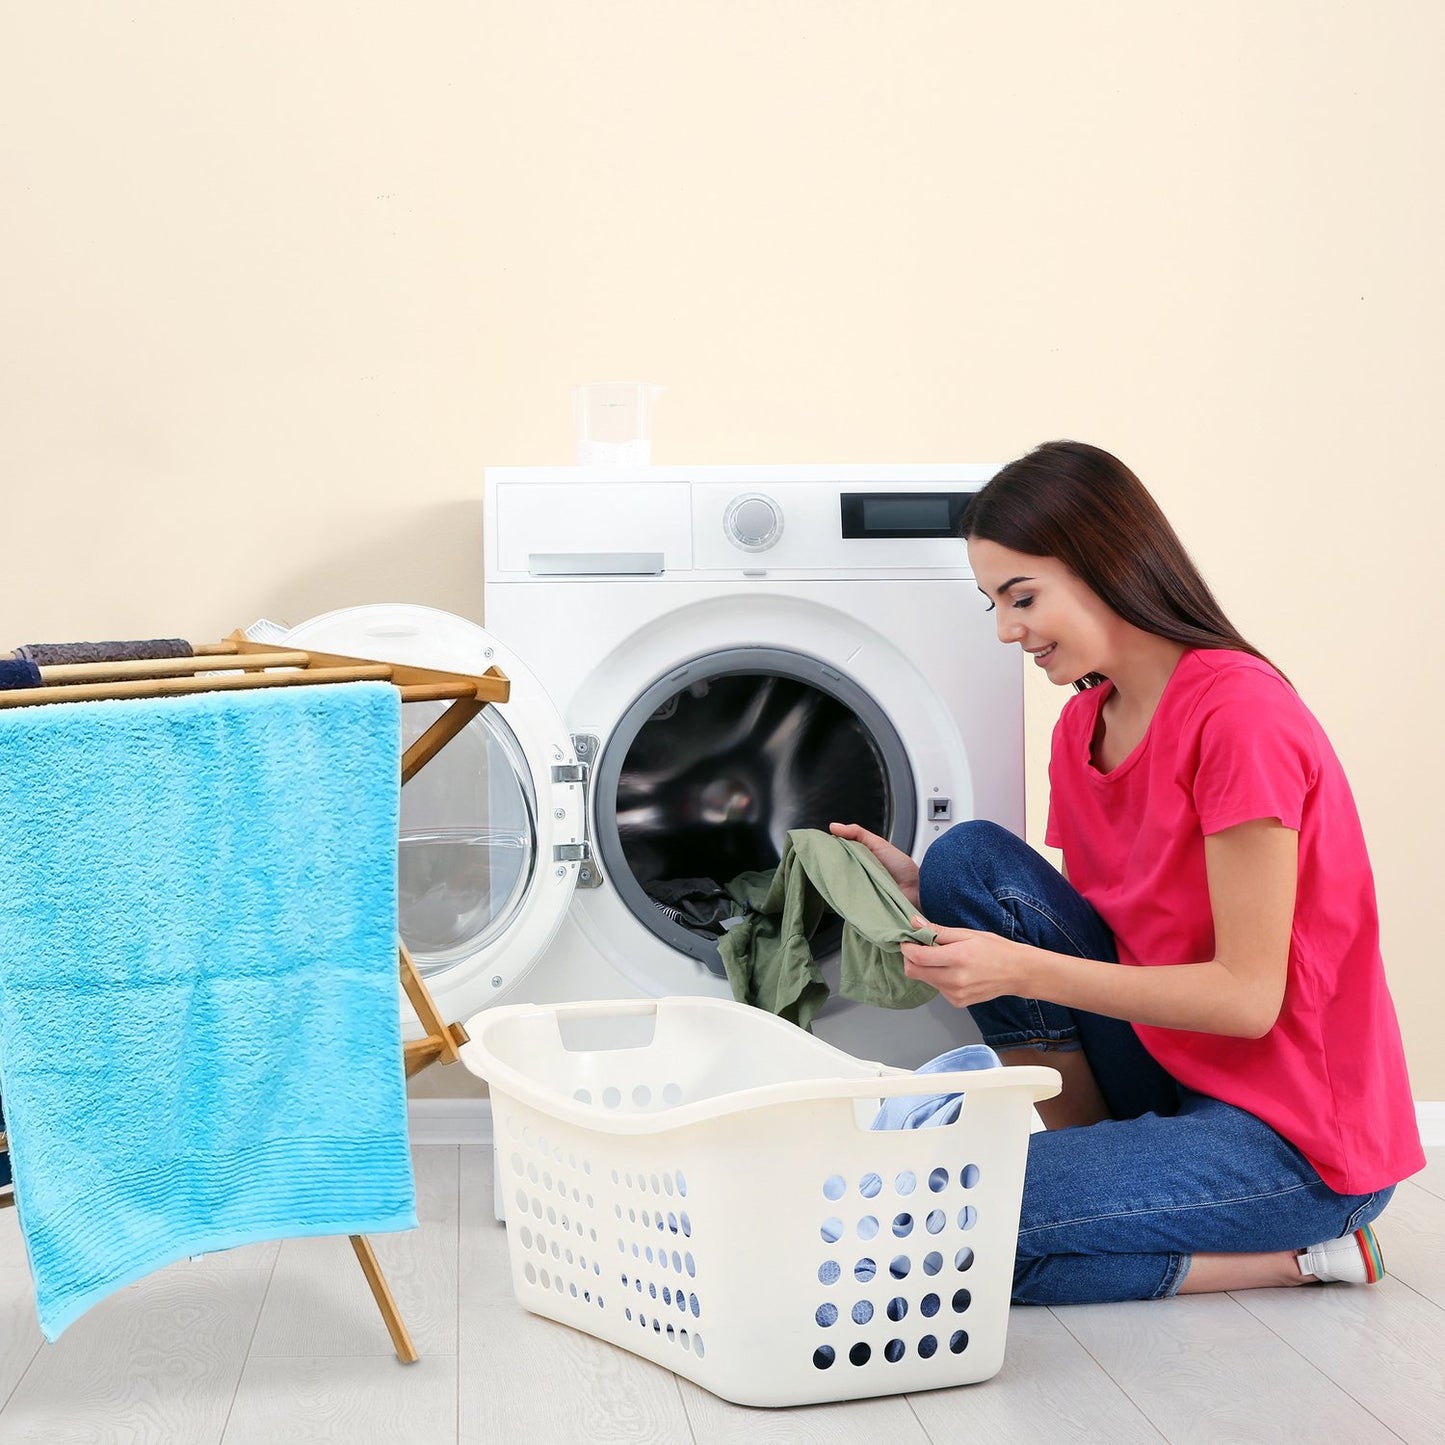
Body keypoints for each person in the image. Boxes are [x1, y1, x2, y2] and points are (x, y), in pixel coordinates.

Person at [832, 440, 1423, 1305]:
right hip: (1172, 1072)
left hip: (1298, 1142)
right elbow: (1110, 934)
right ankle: (1110, 1165)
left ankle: (1301, 1253)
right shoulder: (1082, 732)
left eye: (1021, 596)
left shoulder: (1239, 714)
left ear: (1105, 564)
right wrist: (923, 894)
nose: (1005, 629)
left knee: (940, 1223)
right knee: (964, 860)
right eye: (992, 602)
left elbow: (1246, 998)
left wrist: (1017, 967)